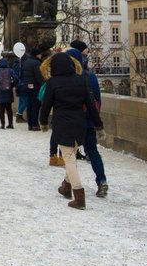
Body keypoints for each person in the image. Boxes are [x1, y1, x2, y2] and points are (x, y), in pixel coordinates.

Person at [38, 51, 104, 210]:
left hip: (62, 123)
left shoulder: (53, 82)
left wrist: (43, 122)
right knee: (72, 154)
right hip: (79, 124)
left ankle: (79, 196)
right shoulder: (80, 81)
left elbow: (46, 105)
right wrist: (99, 125)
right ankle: (66, 187)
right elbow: (90, 105)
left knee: (69, 158)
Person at [67, 40, 109, 197]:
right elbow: (97, 100)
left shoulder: (69, 77)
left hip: (74, 120)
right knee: (93, 151)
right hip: (89, 119)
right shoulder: (90, 77)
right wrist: (96, 120)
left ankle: (68, 184)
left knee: (70, 153)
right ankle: (102, 180)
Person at [19, 45, 45, 131]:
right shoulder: (37, 63)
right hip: (35, 86)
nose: (41, 55)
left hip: (27, 86)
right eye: (40, 54)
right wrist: (43, 85)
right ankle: (35, 124)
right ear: (37, 55)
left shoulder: (26, 62)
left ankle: (30, 124)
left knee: (29, 105)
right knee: (35, 106)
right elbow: (39, 76)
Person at [0, 57, 17, 129]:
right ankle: (10, 124)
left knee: (1, 110)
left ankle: (2, 124)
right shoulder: (10, 70)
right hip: (8, 92)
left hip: (0, 92)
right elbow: (16, 79)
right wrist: (12, 85)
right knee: (9, 109)